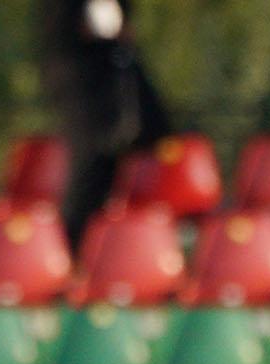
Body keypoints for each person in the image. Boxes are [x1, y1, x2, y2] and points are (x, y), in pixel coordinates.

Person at [36, 0, 171, 250]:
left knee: (106, 174)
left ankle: (98, 253)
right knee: (88, 172)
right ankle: (71, 251)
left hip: (105, 91)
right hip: (84, 90)